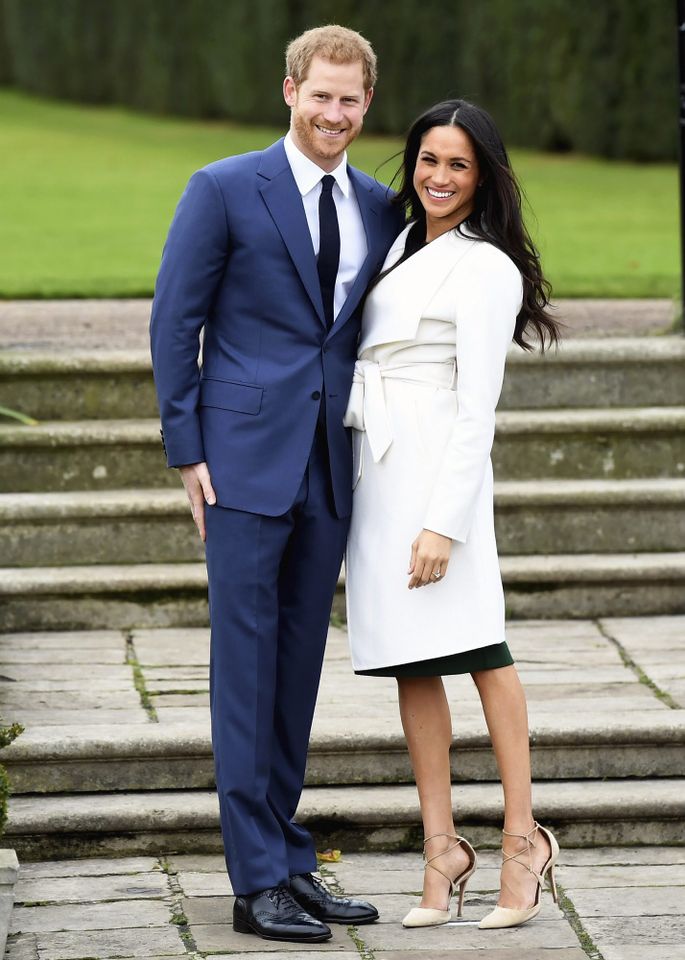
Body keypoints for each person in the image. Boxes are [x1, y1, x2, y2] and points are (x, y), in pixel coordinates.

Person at [150, 25, 403, 944]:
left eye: (350, 100)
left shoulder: (379, 204)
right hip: (241, 465)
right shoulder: (222, 189)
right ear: (288, 90)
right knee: (245, 671)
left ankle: (290, 860)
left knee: (296, 670)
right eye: (320, 95)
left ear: (365, 105)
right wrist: (187, 449)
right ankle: (255, 879)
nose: (334, 114)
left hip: (330, 467)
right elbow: (175, 320)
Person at [343, 99, 562, 931]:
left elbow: (478, 410)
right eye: (428, 160)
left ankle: (519, 840)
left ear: (484, 177)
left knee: (481, 651)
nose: (438, 178)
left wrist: (445, 523)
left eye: (458, 165)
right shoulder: (399, 241)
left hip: (440, 472)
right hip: (379, 470)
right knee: (410, 661)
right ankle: (441, 850)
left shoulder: (485, 267)